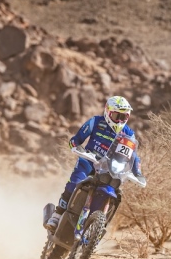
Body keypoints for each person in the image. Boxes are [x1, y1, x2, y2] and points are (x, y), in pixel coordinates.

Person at [45, 95, 142, 231]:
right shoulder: (95, 122)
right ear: (108, 112)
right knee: (75, 181)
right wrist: (74, 144)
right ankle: (57, 214)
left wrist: (138, 172)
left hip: (109, 168)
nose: (120, 120)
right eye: (116, 116)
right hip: (89, 160)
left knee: (117, 191)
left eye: (124, 117)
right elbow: (77, 139)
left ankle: (97, 227)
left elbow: (133, 154)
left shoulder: (128, 133)